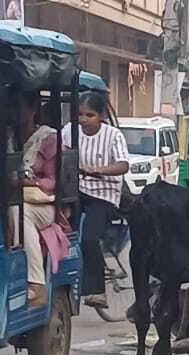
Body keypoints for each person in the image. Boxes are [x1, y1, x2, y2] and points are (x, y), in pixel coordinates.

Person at [62, 92, 128, 309]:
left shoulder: (113, 135)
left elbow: (123, 165)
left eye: (89, 115)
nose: (83, 119)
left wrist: (99, 170)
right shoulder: (68, 132)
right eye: (80, 114)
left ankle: (97, 290)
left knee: (89, 239)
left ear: (100, 116)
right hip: (76, 190)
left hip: (104, 195)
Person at [12, 91, 61, 307]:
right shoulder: (6, 137)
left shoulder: (48, 139)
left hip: (42, 206)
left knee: (19, 213)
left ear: (33, 110)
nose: (12, 113)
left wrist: (29, 183)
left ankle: (35, 282)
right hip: (8, 197)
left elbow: (54, 182)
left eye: (18, 107)